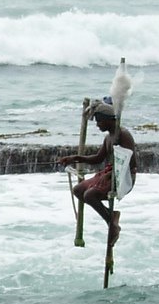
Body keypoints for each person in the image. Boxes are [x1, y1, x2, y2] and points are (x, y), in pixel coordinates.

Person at [59, 97, 137, 245]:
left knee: (90, 194)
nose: (97, 125)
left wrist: (112, 174)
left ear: (108, 120)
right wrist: (74, 158)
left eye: (99, 121)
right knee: (78, 190)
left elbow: (130, 161)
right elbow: (98, 158)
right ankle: (111, 218)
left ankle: (111, 224)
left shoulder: (123, 135)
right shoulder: (108, 137)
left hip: (124, 177)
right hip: (109, 173)